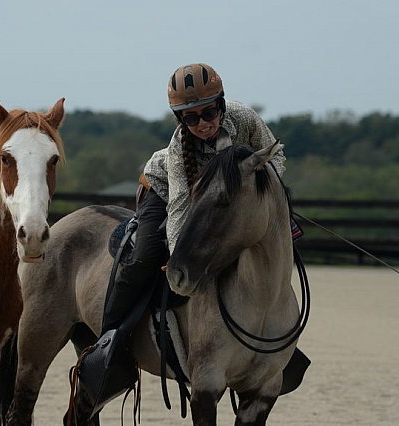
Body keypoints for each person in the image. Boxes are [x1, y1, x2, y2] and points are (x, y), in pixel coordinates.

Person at [101, 62, 286, 333]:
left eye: (208, 112)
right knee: (143, 258)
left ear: (221, 105)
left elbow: (275, 155)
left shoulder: (244, 117)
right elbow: (179, 208)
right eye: (191, 118)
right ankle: (109, 338)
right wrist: (178, 257)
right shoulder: (178, 148)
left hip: (227, 196)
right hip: (164, 191)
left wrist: (262, 191)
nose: (202, 123)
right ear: (181, 120)